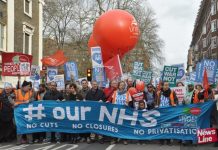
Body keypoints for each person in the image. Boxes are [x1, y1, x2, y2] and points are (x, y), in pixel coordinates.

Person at [155, 81, 178, 146]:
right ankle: (161, 141)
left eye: (168, 85)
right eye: (165, 85)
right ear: (162, 86)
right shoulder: (159, 92)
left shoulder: (172, 92)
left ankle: (168, 141)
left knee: (168, 126)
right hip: (161, 112)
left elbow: (176, 100)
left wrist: (175, 104)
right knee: (161, 126)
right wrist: (156, 105)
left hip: (169, 112)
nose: (167, 86)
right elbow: (155, 100)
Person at [111, 81, 132, 145]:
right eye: (120, 85)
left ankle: (124, 139)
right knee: (115, 126)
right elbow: (112, 102)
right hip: (116, 112)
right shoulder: (115, 93)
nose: (122, 86)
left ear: (124, 86)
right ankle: (115, 138)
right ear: (118, 86)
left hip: (124, 112)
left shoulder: (128, 93)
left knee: (124, 126)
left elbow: (130, 104)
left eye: (123, 85)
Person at [14, 81, 34, 145]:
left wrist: (30, 100)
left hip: (27, 111)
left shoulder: (30, 93)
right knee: (19, 126)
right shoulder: (16, 92)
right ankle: (18, 141)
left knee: (28, 125)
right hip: (18, 112)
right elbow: (9, 98)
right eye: (28, 86)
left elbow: (33, 98)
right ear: (24, 87)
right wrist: (13, 103)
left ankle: (30, 140)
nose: (29, 87)